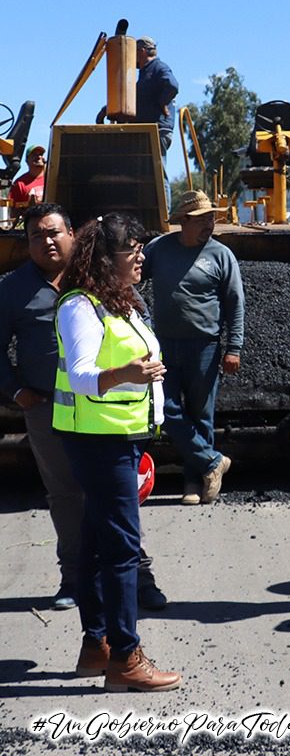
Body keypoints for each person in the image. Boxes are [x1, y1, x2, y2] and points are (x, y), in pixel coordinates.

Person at [0, 203, 167, 612]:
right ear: (26, 243)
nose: (47, 241)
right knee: (66, 494)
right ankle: (74, 579)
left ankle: (138, 575)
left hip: (107, 412)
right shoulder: (12, 289)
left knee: (118, 496)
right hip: (47, 410)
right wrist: (16, 392)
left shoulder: (102, 282)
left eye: (54, 232)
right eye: (36, 235)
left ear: (72, 234)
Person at [53, 212, 180, 692]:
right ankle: (125, 657)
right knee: (123, 550)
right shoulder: (80, 307)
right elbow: (83, 375)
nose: (141, 257)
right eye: (133, 250)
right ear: (105, 258)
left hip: (119, 437)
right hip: (99, 441)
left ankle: (96, 646)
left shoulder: (122, 303)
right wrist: (126, 373)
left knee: (93, 542)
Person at [141, 190, 244, 505]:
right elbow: (132, 280)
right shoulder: (158, 249)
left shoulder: (221, 254)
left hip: (205, 347)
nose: (210, 224)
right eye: (203, 219)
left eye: (212, 218)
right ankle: (212, 462)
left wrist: (234, 347)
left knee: (201, 414)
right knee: (165, 409)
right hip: (164, 346)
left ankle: (193, 483)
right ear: (182, 222)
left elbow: (235, 303)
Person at [134, 38, 179, 210]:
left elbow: (172, 85)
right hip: (149, 128)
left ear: (142, 51)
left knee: (158, 172)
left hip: (158, 129)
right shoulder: (145, 72)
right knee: (149, 174)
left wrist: (162, 103)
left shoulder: (158, 68)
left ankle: (164, 214)